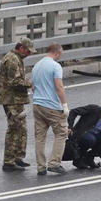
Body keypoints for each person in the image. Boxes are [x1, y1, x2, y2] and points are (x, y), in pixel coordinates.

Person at [0, 38, 36, 172]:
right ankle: (9, 161)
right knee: (15, 129)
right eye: (28, 51)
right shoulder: (12, 60)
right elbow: (14, 81)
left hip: (16, 99)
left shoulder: (15, 58)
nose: (29, 54)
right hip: (12, 100)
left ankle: (17, 157)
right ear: (21, 48)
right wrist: (30, 83)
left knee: (21, 129)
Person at [32, 43, 69, 175]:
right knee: (61, 133)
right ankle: (54, 163)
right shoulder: (55, 66)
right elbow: (59, 87)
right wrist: (64, 105)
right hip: (51, 106)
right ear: (57, 53)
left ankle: (40, 167)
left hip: (37, 104)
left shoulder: (36, 65)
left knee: (40, 137)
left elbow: (33, 87)